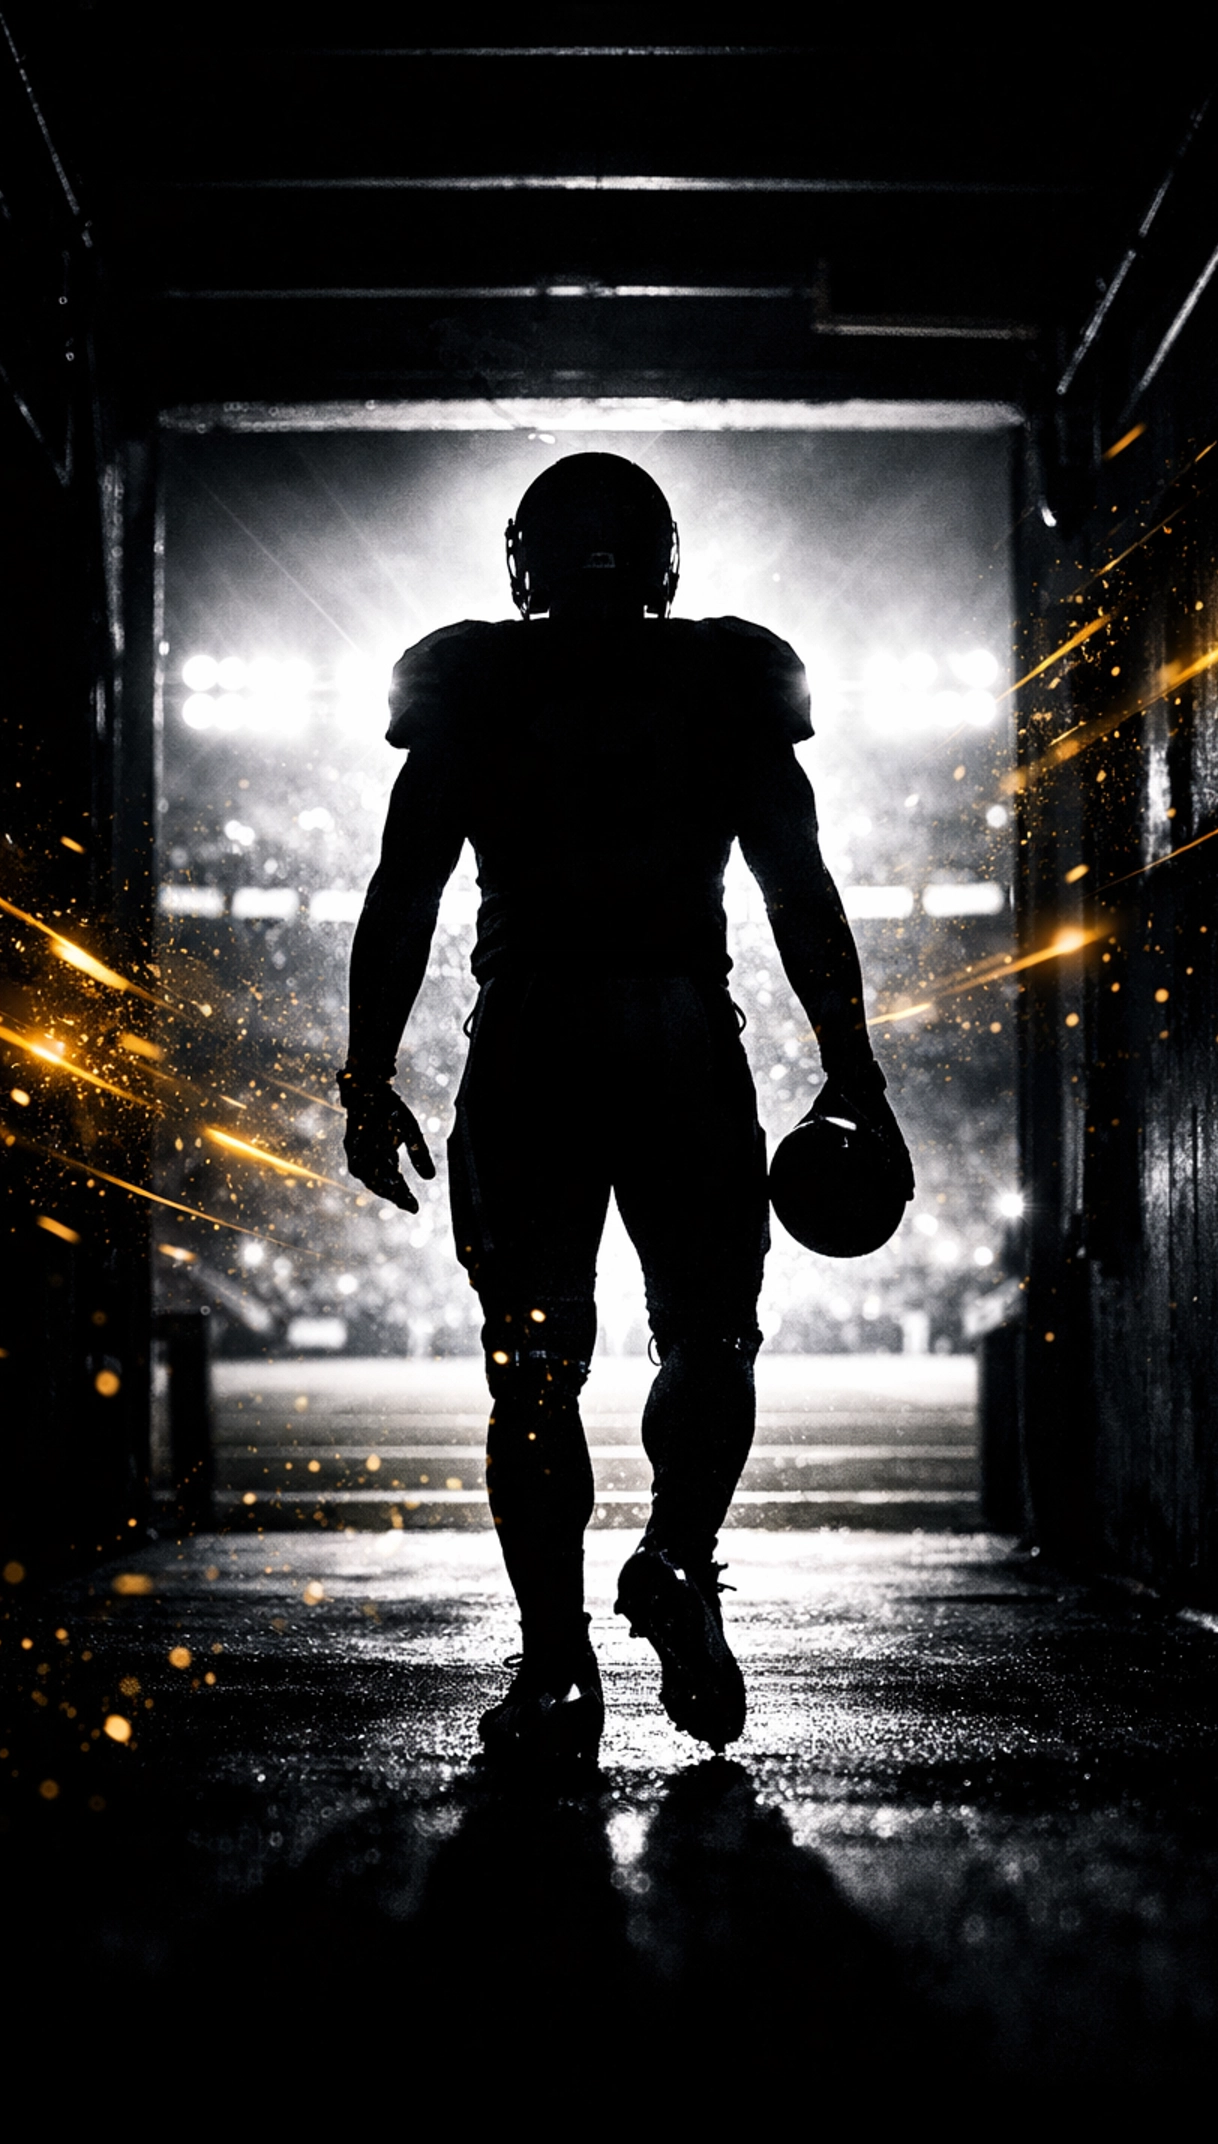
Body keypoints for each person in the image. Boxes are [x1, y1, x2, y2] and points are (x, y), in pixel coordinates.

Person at [339, 453, 912, 1760]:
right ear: (663, 561)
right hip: (675, 1030)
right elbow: (796, 888)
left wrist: (369, 1076)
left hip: (533, 1034)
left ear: (524, 560)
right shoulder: (725, 677)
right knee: (709, 1340)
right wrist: (854, 1066)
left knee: (534, 1371)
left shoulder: (472, 681)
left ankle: (557, 1666)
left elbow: (405, 889)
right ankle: (677, 1558)